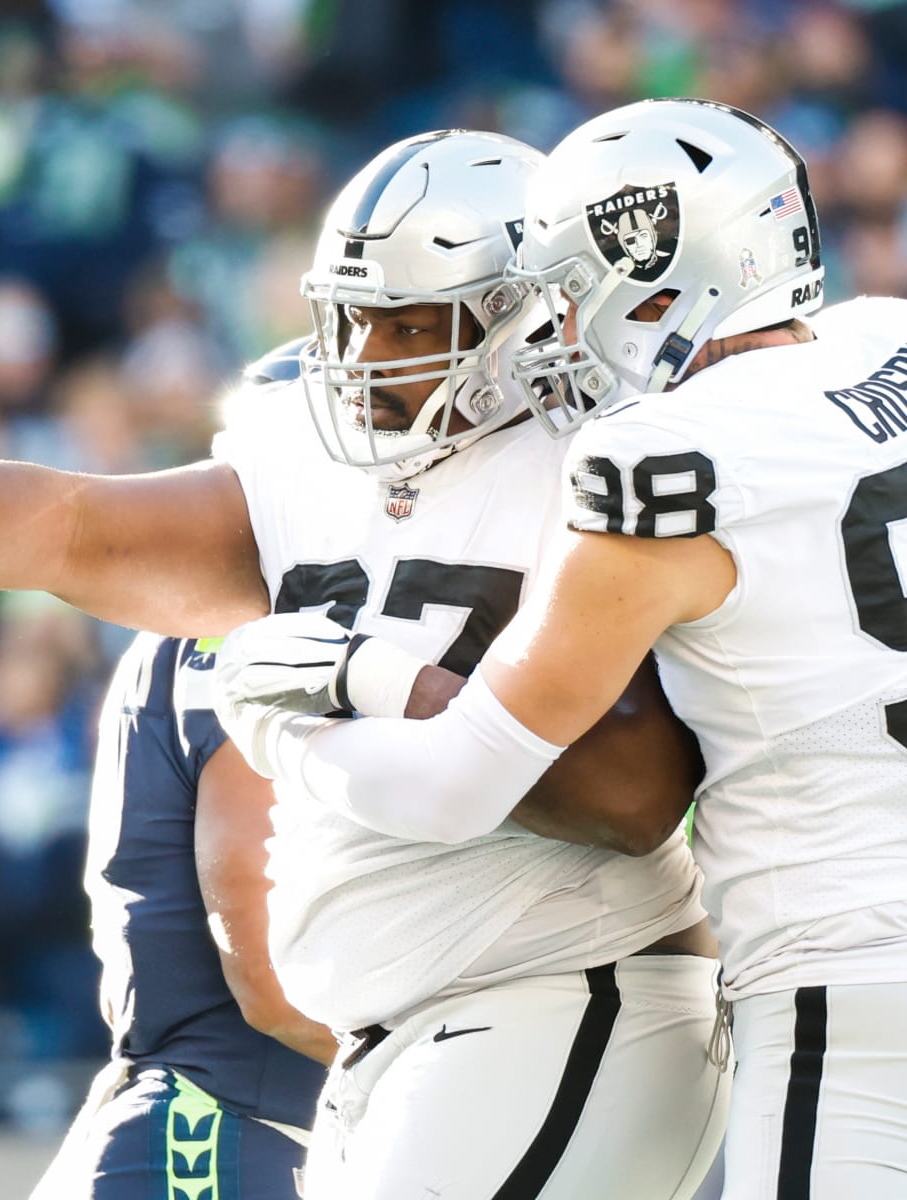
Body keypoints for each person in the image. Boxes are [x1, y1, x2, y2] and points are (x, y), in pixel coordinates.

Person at [0, 129, 728, 1197]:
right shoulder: (306, 458)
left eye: (413, 324)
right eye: (355, 320)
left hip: (564, 986)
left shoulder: (606, 460)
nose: (372, 360)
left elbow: (632, 796)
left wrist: (376, 680)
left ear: (532, 314)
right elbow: (62, 527)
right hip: (404, 1032)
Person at [213, 100, 907, 1197]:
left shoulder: (658, 459)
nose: (556, 332)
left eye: (570, 291)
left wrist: (321, 694)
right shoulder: (886, 339)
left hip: (854, 965)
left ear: (663, 283)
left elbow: (455, 790)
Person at [29, 632, 331, 1199]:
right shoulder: (256, 639)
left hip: (203, 1120)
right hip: (223, 1126)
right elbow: (270, 984)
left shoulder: (173, 644)